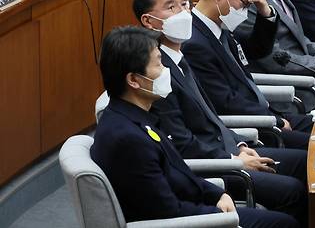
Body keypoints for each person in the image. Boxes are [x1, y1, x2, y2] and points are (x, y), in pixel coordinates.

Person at [132, 0, 308, 226]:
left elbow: (210, 117)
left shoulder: (179, 56)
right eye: (171, 7)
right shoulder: (157, 71)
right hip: (209, 165)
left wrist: (238, 145)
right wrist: (233, 160)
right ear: (149, 21)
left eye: (184, 4)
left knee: (302, 162)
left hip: (227, 149)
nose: (183, 12)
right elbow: (182, 141)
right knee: (290, 191)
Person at [91, 26, 298, 228]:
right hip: (191, 221)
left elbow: (179, 172)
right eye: (159, 64)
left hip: (196, 206)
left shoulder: (137, 117)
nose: (166, 71)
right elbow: (165, 210)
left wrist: (216, 193)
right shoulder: (128, 138)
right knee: (284, 223)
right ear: (134, 80)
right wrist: (216, 214)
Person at [183, 0, 314, 150]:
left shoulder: (221, 26)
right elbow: (225, 101)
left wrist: (265, 12)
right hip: (253, 127)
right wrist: (273, 120)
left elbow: (258, 50)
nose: (246, 8)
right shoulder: (194, 42)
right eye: (244, 2)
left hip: (266, 115)